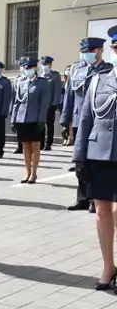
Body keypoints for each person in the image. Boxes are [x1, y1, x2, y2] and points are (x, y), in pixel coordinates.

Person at [72, 25, 117, 292]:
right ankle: (108, 265)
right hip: (99, 154)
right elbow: (86, 119)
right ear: (112, 49)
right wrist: (79, 157)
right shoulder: (99, 80)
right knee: (101, 211)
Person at [62, 37, 113, 213]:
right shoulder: (78, 70)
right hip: (79, 121)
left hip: (98, 121)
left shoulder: (108, 71)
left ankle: (94, 198)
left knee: (94, 162)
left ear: (100, 51)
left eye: (90, 51)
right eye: (85, 52)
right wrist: (65, 120)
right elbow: (69, 95)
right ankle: (82, 197)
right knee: (80, 161)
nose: (87, 55)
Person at [10, 58, 49, 184]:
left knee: (35, 146)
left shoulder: (42, 83)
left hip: (35, 119)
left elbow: (44, 103)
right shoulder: (21, 83)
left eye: (29, 68)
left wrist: (41, 121)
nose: (27, 70)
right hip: (22, 119)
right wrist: (13, 120)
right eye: (25, 68)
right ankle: (27, 172)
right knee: (25, 146)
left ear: (35, 69)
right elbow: (17, 103)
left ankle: (34, 173)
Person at [40, 56, 63, 151]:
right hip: (41, 105)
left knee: (49, 124)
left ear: (50, 65)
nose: (45, 66)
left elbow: (57, 90)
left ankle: (48, 143)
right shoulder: (40, 76)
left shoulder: (55, 75)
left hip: (50, 104)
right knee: (40, 124)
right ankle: (40, 142)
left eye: (46, 64)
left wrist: (55, 103)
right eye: (43, 64)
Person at [12, 57, 28, 154]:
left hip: (29, 108)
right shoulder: (17, 79)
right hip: (19, 108)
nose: (22, 67)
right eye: (21, 65)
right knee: (19, 129)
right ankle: (20, 146)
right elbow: (15, 96)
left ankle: (27, 147)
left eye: (24, 65)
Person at [61, 64, 73, 145]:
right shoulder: (63, 82)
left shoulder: (73, 81)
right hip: (63, 105)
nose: (67, 71)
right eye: (67, 69)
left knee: (71, 123)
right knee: (65, 123)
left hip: (71, 104)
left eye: (69, 69)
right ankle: (65, 137)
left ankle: (70, 137)